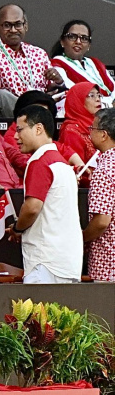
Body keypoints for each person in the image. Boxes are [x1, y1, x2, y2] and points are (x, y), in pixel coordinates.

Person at [9, 105, 82, 284]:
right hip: (68, 261)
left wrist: (17, 228)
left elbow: (32, 208)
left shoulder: (40, 162)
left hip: (45, 262)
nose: (16, 136)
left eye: (20, 130)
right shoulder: (63, 164)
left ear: (38, 128)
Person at [0, 4, 63, 100]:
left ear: (25, 26)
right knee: (1, 95)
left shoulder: (38, 53)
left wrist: (58, 81)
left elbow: (51, 87)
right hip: (15, 106)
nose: (13, 30)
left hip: (43, 104)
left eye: (18, 24)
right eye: (7, 25)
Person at [4, 91, 83, 179]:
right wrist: (68, 172)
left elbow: (63, 150)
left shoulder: (42, 135)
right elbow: (25, 163)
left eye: (45, 114)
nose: (42, 118)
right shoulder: (14, 137)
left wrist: (79, 166)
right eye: (36, 113)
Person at [50, 20, 114, 106]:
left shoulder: (94, 63)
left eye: (84, 38)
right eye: (72, 37)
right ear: (62, 42)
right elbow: (72, 92)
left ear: (89, 46)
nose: (78, 41)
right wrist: (110, 104)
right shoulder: (57, 64)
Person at [84, 108, 115, 281]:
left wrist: (82, 239)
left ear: (104, 135)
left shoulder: (105, 170)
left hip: (108, 265)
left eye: (92, 128)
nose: (89, 132)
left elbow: (102, 221)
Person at [58, 82, 102, 166]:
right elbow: (78, 168)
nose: (98, 99)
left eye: (99, 95)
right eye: (92, 95)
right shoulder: (71, 132)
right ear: (77, 100)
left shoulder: (99, 124)